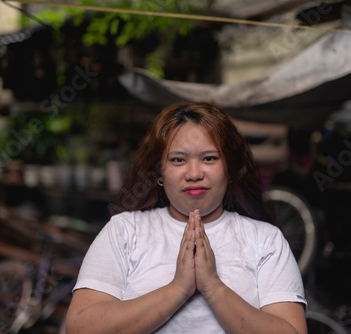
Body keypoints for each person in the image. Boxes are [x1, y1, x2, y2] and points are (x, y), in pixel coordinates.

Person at [66, 101, 307, 334]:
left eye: (209, 158)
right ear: (160, 170)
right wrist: (178, 288)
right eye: (178, 159)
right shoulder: (124, 231)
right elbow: (80, 328)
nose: (194, 174)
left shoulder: (266, 240)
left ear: (230, 169)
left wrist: (213, 286)